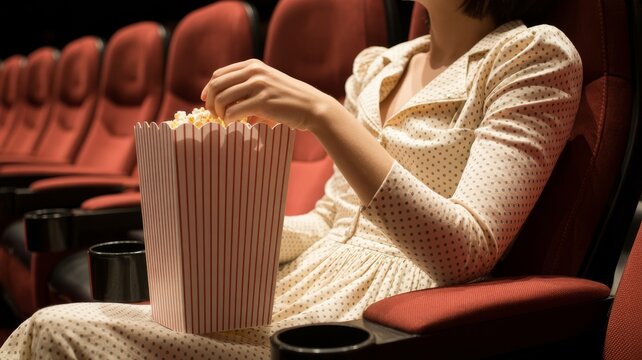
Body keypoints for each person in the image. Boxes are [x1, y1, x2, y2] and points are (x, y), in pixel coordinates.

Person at [0, 0, 582, 358]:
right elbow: (330, 221)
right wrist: (219, 224)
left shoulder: (532, 56)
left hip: (377, 317)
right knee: (55, 328)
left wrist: (322, 115)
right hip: (297, 283)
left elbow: (463, 252)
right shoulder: (378, 65)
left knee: (58, 335)